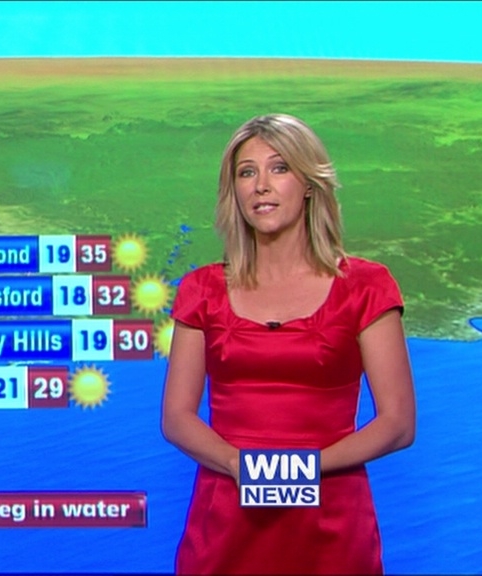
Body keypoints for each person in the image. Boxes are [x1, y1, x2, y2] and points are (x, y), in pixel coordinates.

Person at [160, 114, 416, 574]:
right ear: (234, 191)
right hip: (225, 526)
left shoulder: (366, 287)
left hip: (332, 526)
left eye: (279, 168)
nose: (261, 185)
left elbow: (397, 423)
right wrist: (240, 466)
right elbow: (177, 418)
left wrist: (299, 471)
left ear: (310, 185)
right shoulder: (202, 290)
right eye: (247, 172)